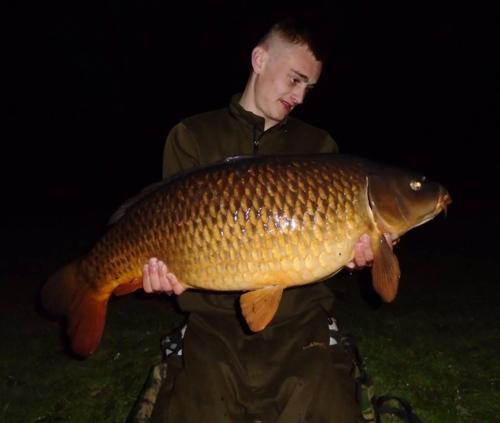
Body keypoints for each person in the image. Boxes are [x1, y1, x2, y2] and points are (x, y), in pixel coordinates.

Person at [141, 18, 390, 422]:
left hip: (301, 321)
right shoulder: (192, 136)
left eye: (309, 87)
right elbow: (165, 225)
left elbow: (330, 248)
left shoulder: (319, 147)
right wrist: (161, 273)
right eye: (295, 80)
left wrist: (356, 259)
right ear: (259, 60)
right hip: (212, 322)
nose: (300, 97)